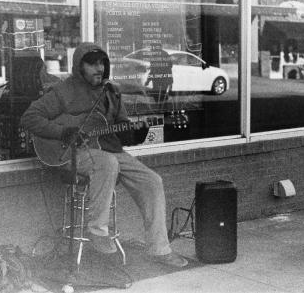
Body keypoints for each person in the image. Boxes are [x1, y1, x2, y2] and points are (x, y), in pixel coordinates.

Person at [20, 42, 187, 268]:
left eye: (102, 63)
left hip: (108, 150)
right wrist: (63, 131)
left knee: (152, 181)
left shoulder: (111, 91)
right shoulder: (62, 91)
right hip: (73, 153)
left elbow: (123, 129)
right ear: (79, 66)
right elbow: (30, 118)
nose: (99, 68)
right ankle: (97, 231)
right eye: (92, 64)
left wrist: (137, 131)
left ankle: (159, 249)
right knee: (107, 163)